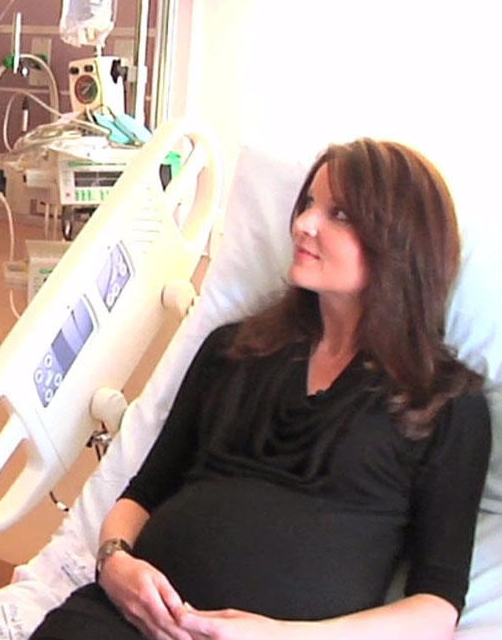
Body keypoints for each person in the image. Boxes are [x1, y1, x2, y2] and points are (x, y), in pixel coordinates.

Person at [31, 139, 491, 640]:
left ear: (400, 241)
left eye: (338, 213)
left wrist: (279, 635)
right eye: (308, 204)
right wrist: (116, 563)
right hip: (127, 618)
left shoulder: (444, 403)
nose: (304, 224)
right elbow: (143, 493)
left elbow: (437, 604)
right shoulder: (233, 350)